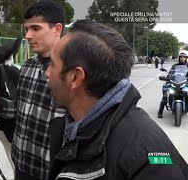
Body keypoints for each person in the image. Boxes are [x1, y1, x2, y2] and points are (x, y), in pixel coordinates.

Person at [45, 20, 188, 180]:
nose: (47, 72)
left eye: (52, 64)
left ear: (75, 77)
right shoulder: (70, 127)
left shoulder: (148, 163)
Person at [0, 1, 66, 179]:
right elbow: (19, 111)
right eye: (26, 29)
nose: (28, 35)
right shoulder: (28, 67)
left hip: (52, 172)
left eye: (36, 28)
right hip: (21, 165)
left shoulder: (71, 72)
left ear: (57, 29)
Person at [158, 51, 188, 118]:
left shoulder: (187, 66)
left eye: (184, 57)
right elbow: (170, 73)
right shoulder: (174, 66)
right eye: (181, 57)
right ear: (179, 58)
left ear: (186, 58)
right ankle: (160, 112)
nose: (182, 58)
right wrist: (167, 77)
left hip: (185, 82)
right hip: (175, 82)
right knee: (165, 95)